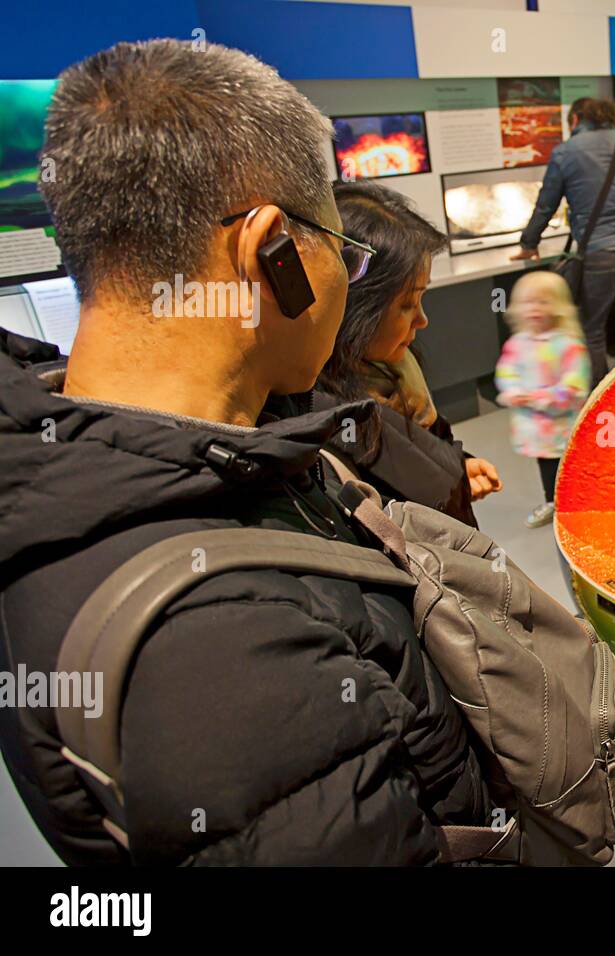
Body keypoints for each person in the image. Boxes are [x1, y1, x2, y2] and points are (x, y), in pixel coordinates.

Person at [0, 40, 490, 865]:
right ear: (270, 249)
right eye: (344, 248)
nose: (347, 274)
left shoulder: (151, 462)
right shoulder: (218, 650)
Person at [315, 181, 501, 526]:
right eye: (406, 304)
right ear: (356, 307)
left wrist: (458, 464)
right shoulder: (332, 427)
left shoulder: (395, 368)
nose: (422, 320)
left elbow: (425, 443)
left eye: (420, 299)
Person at [510, 97, 615, 387]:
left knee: (592, 330)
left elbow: (546, 205)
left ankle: (598, 397)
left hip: (599, 255)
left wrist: (529, 244)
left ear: (576, 119)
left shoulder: (565, 153)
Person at [494, 270, 591, 528]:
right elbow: (506, 371)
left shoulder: (569, 346)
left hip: (564, 426)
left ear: (559, 306)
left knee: (569, 466)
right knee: (547, 465)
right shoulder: (517, 343)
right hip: (536, 429)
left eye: (543, 301)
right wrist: (513, 391)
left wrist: (538, 398)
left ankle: (576, 507)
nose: (535, 309)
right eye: (528, 302)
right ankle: (553, 502)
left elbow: (575, 386)